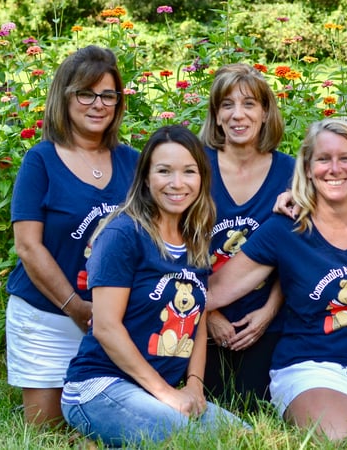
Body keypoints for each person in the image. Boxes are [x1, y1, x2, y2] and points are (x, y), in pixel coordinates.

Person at [208, 119, 347, 441]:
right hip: (308, 363)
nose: (334, 169)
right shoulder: (286, 228)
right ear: (307, 168)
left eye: (345, 158)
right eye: (323, 159)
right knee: (337, 438)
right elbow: (215, 291)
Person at [61, 126, 245, 446]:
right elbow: (105, 327)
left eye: (188, 171)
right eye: (164, 171)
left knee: (244, 437)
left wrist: (194, 385)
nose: (177, 183)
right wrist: (166, 394)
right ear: (146, 177)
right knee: (192, 441)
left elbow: (197, 320)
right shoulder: (123, 234)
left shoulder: (194, 239)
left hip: (157, 391)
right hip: (101, 387)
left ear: (202, 178)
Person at [5, 45, 139, 427]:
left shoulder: (133, 162)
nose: (98, 105)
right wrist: (76, 307)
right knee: (49, 429)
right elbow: (28, 246)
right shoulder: (41, 160)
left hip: (114, 321)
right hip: (47, 314)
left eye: (108, 95)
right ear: (65, 96)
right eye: (86, 93)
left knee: (113, 423)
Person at [199, 63, 294, 409]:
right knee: (212, 406)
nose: (238, 114)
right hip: (201, 317)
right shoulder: (196, 168)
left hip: (268, 320)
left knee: (254, 405)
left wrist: (268, 312)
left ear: (265, 112)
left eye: (249, 104)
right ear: (216, 115)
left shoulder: (290, 172)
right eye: (227, 105)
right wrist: (209, 317)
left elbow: (298, 254)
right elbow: (175, 247)